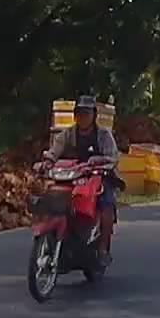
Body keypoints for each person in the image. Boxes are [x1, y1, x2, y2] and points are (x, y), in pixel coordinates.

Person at [44, 95, 121, 263]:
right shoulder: (68, 134)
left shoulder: (103, 135)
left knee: (106, 205)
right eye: (79, 113)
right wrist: (48, 161)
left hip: (100, 176)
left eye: (86, 113)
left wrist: (99, 161)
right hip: (74, 176)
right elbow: (54, 150)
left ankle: (102, 249)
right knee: (53, 198)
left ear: (94, 115)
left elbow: (113, 157)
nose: (83, 117)